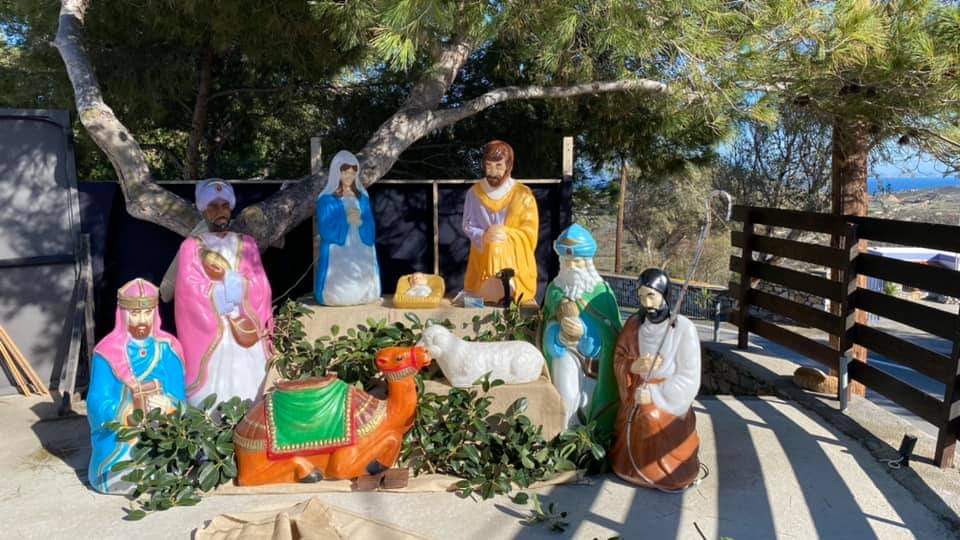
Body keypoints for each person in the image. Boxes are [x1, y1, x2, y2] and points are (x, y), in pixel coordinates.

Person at [174, 179, 273, 406]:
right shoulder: (192, 246)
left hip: (245, 322)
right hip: (213, 326)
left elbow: (261, 284)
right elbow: (188, 290)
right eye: (213, 206)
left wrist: (242, 287)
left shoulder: (246, 243)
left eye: (224, 206)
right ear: (203, 210)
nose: (220, 211)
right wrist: (217, 294)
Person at [87, 279, 186, 494]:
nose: (142, 320)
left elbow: (181, 398)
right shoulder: (106, 352)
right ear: (123, 314)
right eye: (135, 313)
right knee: (122, 471)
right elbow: (96, 400)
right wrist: (126, 412)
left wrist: (169, 405)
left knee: (173, 464)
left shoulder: (169, 348)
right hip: (122, 437)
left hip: (162, 429)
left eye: (147, 312)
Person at [610, 268, 701, 491]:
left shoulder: (683, 329)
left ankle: (662, 471)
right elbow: (619, 357)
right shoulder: (634, 325)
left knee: (649, 416)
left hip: (667, 397)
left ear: (664, 294)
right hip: (635, 390)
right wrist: (633, 366)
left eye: (651, 295)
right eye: (641, 296)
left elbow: (689, 376)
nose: (646, 302)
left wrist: (655, 394)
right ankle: (629, 467)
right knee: (631, 416)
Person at [542, 224, 622, 437]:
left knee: (589, 400)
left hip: (595, 360)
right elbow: (545, 324)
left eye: (576, 261)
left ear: (587, 262)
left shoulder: (602, 293)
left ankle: (591, 439)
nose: (571, 267)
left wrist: (586, 333)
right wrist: (557, 334)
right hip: (564, 352)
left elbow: (612, 332)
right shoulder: (555, 290)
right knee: (566, 396)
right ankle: (566, 437)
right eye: (566, 261)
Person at [462, 140, 539, 304]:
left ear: (508, 166)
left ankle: (509, 287)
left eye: (498, 166)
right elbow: (468, 225)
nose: (493, 172)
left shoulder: (523, 194)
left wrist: (506, 234)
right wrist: (484, 235)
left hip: (514, 260)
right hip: (482, 258)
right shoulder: (474, 193)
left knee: (498, 243)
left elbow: (530, 231)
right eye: (488, 166)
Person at [314, 150, 381, 306]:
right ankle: (335, 294)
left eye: (352, 173)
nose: (349, 177)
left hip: (361, 245)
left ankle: (366, 292)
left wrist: (361, 222)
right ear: (336, 173)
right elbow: (325, 227)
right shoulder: (326, 199)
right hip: (338, 249)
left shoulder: (362, 197)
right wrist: (345, 221)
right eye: (345, 173)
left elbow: (370, 222)